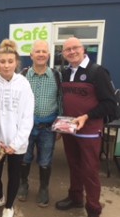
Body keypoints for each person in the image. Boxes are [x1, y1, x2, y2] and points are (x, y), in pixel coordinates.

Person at [55, 37, 116, 217]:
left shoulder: (98, 72)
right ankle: (75, 198)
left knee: (89, 171)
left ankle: (93, 209)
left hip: (89, 131)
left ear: (83, 50)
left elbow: (110, 104)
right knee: (74, 166)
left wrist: (87, 116)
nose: (72, 52)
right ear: (63, 54)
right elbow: (65, 101)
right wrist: (61, 125)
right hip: (70, 130)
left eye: (75, 48)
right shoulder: (65, 73)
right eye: (67, 50)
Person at [0, 39, 34, 217]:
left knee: (14, 175)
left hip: (16, 144)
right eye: (2, 61)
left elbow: (27, 117)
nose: (6, 65)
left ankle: (9, 205)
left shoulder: (23, 84)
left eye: (10, 61)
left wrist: (16, 143)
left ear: (16, 63)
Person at [17, 40, 62, 207]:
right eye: (38, 51)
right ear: (31, 55)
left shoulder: (57, 76)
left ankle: (44, 188)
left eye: (44, 51)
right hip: (26, 128)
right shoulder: (22, 76)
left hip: (48, 128)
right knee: (25, 158)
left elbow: (60, 100)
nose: (41, 54)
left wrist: (59, 125)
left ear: (49, 55)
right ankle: (23, 184)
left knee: (45, 161)